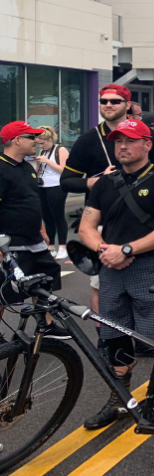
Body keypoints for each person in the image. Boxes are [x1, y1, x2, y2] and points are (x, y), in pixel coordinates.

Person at [78, 119, 154, 429]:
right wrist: (105, 251)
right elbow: (86, 227)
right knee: (114, 336)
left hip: (150, 267)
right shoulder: (105, 184)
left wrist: (126, 250)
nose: (122, 146)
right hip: (111, 268)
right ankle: (120, 399)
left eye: (130, 140)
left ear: (147, 145)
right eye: (117, 140)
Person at [61, 84, 154, 328]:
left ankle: (144, 339)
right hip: (104, 224)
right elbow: (67, 181)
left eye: (115, 101)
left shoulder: (146, 135)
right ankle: (109, 340)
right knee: (102, 286)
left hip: (145, 222)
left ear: (127, 105)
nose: (108, 105)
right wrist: (94, 182)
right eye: (104, 101)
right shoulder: (88, 139)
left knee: (147, 287)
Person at [0, 121, 66, 336]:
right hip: (11, 241)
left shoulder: (27, 166)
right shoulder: (1, 168)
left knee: (45, 279)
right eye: (31, 137)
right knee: (5, 291)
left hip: (34, 238)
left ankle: (45, 324)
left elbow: (32, 201)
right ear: (17, 140)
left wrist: (43, 230)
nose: (36, 141)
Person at [32, 126, 69, 260]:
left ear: (50, 139)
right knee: (47, 217)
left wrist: (47, 161)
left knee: (58, 216)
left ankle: (63, 247)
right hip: (43, 186)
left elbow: (64, 170)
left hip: (57, 186)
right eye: (39, 143)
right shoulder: (43, 151)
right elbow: (39, 169)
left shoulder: (60, 150)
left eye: (43, 143)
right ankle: (51, 246)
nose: (41, 145)